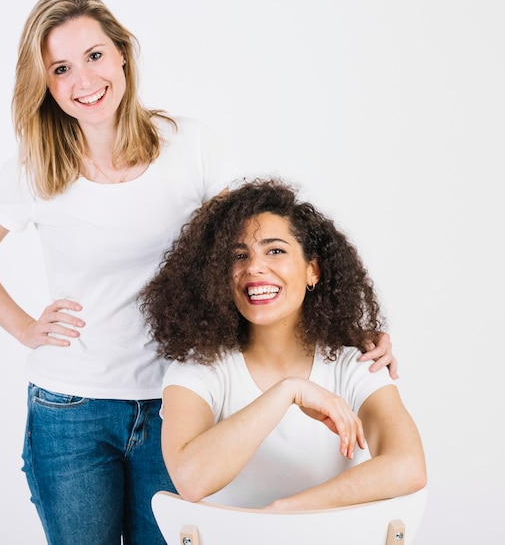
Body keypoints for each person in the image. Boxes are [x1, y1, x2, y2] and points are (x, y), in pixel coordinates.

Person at [0, 0, 397, 545]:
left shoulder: (190, 146)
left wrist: (349, 330)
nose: (84, 81)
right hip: (71, 411)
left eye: (94, 56)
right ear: (45, 85)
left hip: (181, 404)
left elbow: (261, 252)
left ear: (122, 54)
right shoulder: (36, 168)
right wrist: (24, 327)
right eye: (60, 68)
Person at [140, 178, 427, 511]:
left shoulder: (356, 363)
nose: (254, 267)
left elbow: (408, 466)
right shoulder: (197, 370)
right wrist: (287, 392)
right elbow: (190, 480)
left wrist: (286, 512)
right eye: (238, 255)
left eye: (275, 250)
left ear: (313, 270)